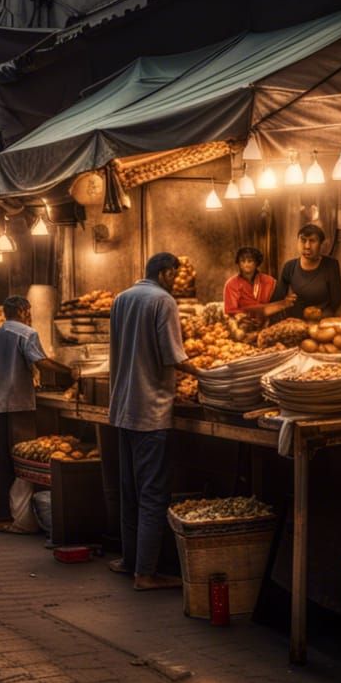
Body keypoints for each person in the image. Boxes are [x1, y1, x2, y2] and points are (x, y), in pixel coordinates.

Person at [108, 253, 203, 591]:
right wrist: (206, 373)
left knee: (130, 492)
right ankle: (145, 573)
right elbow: (173, 355)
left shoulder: (122, 298)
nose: (177, 281)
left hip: (123, 408)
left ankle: (129, 560)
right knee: (152, 494)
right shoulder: (163, 301)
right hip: (151, 411)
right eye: (175, 275)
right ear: (165, 273)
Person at [0, 296, 70, 532]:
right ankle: (22, 518)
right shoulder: (27, 333)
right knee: (22, 460)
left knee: (1, 460)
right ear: (23, 311)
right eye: (29, 310)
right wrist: (69, 371)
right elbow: (41, 362)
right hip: (19, 404)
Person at [271, 223, 341, 321]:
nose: (307, 246)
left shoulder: (330, 265)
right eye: (303, 240)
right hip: (295, 322)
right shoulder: (289, 266)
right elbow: (278, 299)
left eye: (312, 241)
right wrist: (285, 302)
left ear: (321, 244)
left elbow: (336, 301)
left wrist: (320, 318)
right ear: (297, 242)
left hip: (322, 321)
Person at [222, 247, 288, 320]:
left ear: (257, 263)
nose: (246, 264)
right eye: (242, 261)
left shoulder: (269, 281)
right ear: (238, 263)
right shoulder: (231, 284)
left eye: (250, 261)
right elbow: (230, 310)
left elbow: (278, 305)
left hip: (269, 321)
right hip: (242, 322)